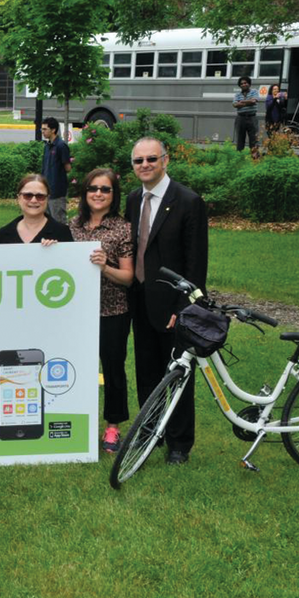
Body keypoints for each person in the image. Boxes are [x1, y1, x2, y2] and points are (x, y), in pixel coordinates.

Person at [128, 137, 208, 465]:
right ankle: (150, 433)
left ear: (166, 160)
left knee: (177, 375)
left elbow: (196, 262)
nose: (145, 165)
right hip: (140, 300)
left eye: (151, 159)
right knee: (146, 373)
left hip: (175, 306)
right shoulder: (134, 200)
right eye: (138, 161)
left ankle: (179, 443)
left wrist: (184, 307)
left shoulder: (188, 201)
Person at [68, 168, 134, 454]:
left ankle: (112, 427)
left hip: (112, 311)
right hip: (75, 313)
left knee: (113, 369)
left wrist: (106, 266)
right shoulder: (72, 226)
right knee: (74, 369)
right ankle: (75, 423)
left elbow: (128, 277)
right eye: (93, 188)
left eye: (105, 189)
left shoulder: (123, 228)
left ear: (113, 195)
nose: (98, 194)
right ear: (85, 193)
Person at [0, 174, 74, 245]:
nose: (33, 200)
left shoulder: (62, 232)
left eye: (40, 196)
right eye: (28, 195)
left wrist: (57, 250)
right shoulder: (5, 233)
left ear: (47, 199)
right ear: (18, 198)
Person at [40, 117, 72, 224]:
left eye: (45, 129)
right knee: (47, 221)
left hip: (57, 191)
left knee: (58, 220)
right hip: (46, 190)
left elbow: (68, 167)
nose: (42, 132)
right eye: (42, 129)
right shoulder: (47, 146)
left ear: (53, 130)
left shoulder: (61, 146)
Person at [232, 76, 259, 154]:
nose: (243, 85)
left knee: (254, 139)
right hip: (240, 118)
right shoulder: (237, 94)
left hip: (252, 117)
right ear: (240, 86)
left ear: (249, 84)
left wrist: (241, 102)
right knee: (240, 140)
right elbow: (234, 105)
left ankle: (254, 159)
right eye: (241, 84)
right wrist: (248, 102)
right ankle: (239, 158)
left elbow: (253, 101)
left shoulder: (254, 91)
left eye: (245, 83)